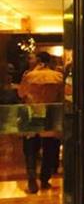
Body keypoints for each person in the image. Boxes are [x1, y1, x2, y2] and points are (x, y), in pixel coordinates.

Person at [17, 52, 64, 193]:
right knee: (50, 149)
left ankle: (31, 172)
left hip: (33, 115)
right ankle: (45, 178)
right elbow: (62, 96)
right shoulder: (58, 76)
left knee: (30, 148)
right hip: (50, 116)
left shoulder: (30, 76)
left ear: (38, 61)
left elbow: (21, 93)